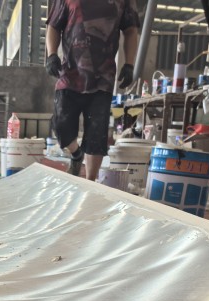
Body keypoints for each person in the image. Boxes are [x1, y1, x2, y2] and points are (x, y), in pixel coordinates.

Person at [45, 0, 140, 179]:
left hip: (102, 79)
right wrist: (51, 54)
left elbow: (131, 30)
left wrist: (129, 64)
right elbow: (53, 26)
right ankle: (76, 154)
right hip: (70, 75)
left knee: (96, 135)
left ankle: (90, 182)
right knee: (60, 125)